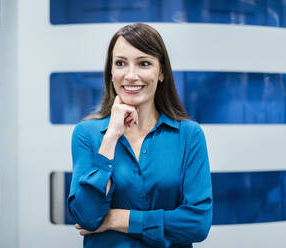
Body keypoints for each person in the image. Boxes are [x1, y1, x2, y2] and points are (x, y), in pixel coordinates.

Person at [68, 23, 212, 248]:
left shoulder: (189, 135)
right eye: (120, 63)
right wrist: (111, 138)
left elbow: (198, 223)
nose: (131, 75)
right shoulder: (87, 134)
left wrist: (118, 219)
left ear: (161, 71)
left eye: (144, 63)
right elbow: (86, 217)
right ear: (111, 72)